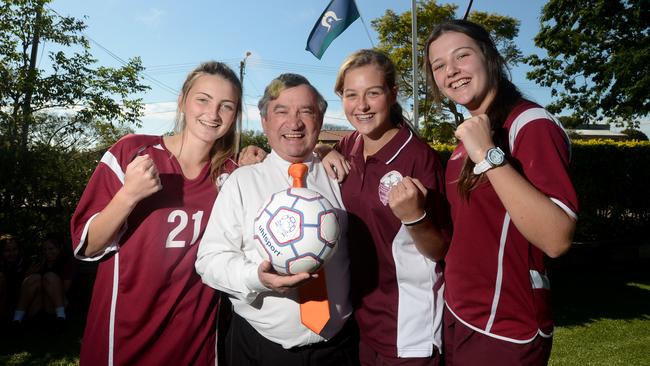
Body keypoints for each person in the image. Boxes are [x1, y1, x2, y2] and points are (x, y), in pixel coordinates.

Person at [70, 61, 265, 365]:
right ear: (182, 101)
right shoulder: (132, 152)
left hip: (197, 341)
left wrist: (323, 151)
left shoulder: (234, 175)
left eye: (226, 106)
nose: (212, 114)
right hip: (124, 337)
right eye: (203, 99)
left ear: (235, 116)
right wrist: (129, 195)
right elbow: (88, 246)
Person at [424, 20, 579, 365]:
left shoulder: (530, 124)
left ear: (490, 57)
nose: (451, 71)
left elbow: (557, 238)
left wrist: (487, 155)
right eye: (439, 66)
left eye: (462, 56)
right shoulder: (466, 139)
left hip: (507, 329)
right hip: (458, 313)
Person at [196, 73, 359, 366]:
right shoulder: (242, 182)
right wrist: (256, 279)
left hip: (339, 347)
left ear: (320, 120)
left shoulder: (342, 176)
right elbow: (208, 261)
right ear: (265, 121)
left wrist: (325, 150)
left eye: (306, 111)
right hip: (260, 347)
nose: (294, 123)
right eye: (281, 111)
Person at [318, 49, 451, 366]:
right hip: (358, 320)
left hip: (407, 328)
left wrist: (415, 218)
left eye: (372, 93)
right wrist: (321, 148)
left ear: (392, 94)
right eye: (351, 95)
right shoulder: (348, 145)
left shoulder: (418, 158)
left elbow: (440, 249)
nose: (361, 106)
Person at [11, 235, 76, 331]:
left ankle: (61, 318)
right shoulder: (39, 263)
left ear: (59, 248)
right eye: (44, 249)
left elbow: (65, 290)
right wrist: (29, 274)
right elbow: (25, 288)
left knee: (50, 276)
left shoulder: (67, 263)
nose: (47, 252)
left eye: (51, 248)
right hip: (38, 304)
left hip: (56, 304)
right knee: (34, 278)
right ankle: (16, 320)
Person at [0, 234, 26, 326]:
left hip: (20, 304)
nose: (12, 253)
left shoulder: (24, 263)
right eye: (7, 251)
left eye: (14, 249)